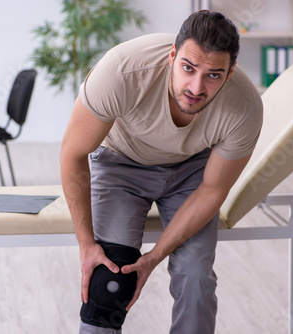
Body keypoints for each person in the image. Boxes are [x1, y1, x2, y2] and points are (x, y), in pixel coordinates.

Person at [60, 10, 263, 334]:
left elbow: (212, 190)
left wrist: (154, 257)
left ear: (230, 71)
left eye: (213, 75)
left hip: (191, 172)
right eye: (188, 68)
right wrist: (86, 244)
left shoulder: (244, 107)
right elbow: (73, 153)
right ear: (172, 55)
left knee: (195, 277)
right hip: (120, 165)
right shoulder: (122, 70)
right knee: (109, 281)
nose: (196, 87)